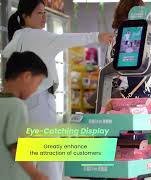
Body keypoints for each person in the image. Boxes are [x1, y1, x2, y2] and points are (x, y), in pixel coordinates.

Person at [2, 0, 113, 180]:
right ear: (24, 16)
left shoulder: (16, 38)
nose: (44, 17)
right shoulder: (39, 36)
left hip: (21, 102)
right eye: (39, 13)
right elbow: (67, 39)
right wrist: (98, 36)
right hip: (41, 102)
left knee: (26, 157)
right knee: (49, 159)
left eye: (45, 13)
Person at [0, 52, 48, 180]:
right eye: (38, 83)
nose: (36, 89)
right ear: (27, 76)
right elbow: (17, 148)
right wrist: (37, 174)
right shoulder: (17, 106)